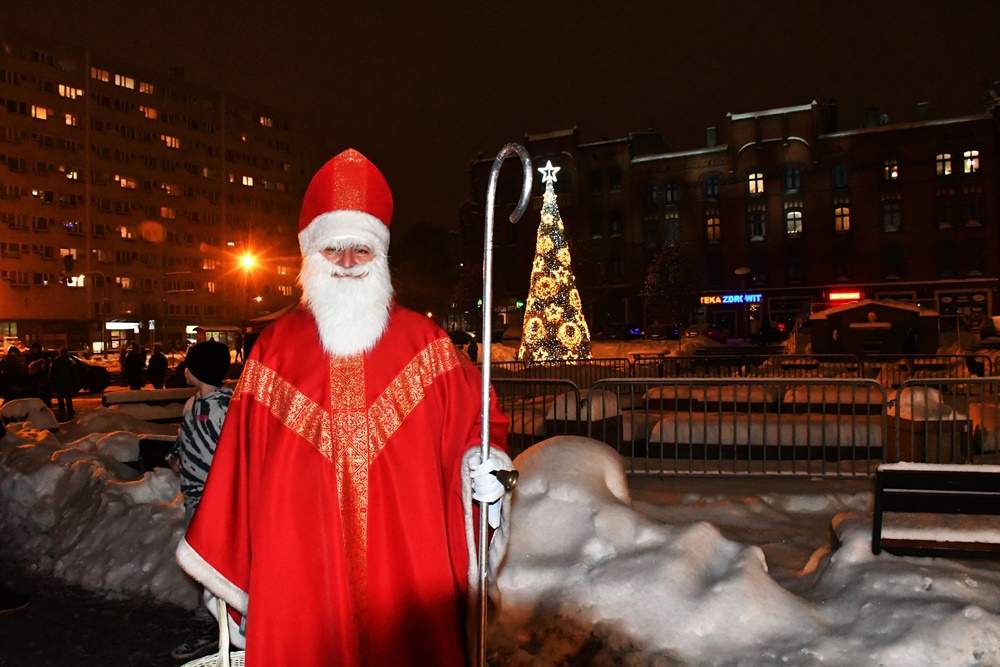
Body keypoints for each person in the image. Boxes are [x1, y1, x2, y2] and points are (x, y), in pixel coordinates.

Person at [176, 148, 510, 666]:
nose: (349, 262)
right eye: (334, 249)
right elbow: (239, 467)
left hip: (408, 568)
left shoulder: (425, 344)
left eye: (362, 248)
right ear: (309, 254)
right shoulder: (275, 349)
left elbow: (477, 415)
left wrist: (483, 463)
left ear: (382, 257)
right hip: (299, 565)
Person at [164, 340, 234, 661]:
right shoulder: (192, 404)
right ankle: (216, 620)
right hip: (195, 497)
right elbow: (184, 438)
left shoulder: (224, 407)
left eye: (188, 364)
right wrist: (176, 456)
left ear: (197, 369)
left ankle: (212, 624)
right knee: (201, 560)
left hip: (217, 500)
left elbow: (236, 450)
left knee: (211, 563)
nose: (183, 370)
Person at [49, 348, 76, 419]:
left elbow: (71, 373)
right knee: (63, 397)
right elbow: (53, 373)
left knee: (65, 397)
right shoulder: (65, 362)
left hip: (62, 382)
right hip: (61, 382)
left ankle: (66, 410)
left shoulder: (61, 362)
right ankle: (64, 410)